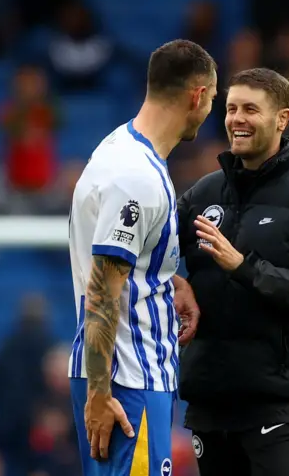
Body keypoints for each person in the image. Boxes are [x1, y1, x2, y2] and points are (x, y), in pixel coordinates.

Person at [176, 68, 289, 476]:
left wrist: (242, 266)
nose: (237, 118)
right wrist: (175, 280)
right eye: (231, 108)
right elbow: (154, 252)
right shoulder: (203, 193)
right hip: (211, 397)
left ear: (282, 119)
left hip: (278, 398)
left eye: (250, 109)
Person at [68, 39, 216, 475]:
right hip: (126, 378)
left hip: (120, 375)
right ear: (197, 95)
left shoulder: (121, 149)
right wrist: (99, 392)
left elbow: (123, 262)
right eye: (212, 99)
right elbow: (101, 289)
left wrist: (170, 280)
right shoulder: (136, 177)